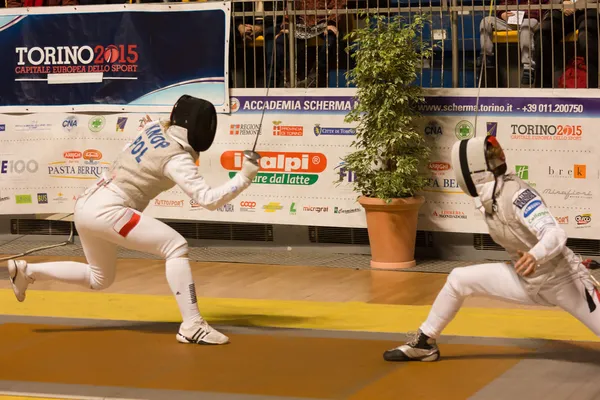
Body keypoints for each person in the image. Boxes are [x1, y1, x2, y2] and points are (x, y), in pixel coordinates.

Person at [6, 95, 262, 346]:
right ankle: (192, 325)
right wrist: (244, 177)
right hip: (110, 210)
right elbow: (207, 199)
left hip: (87, 204)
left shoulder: (154, 129)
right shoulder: (177, 159)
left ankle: (28, 271)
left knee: (99, 279)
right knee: (175, 246)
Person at [383, 135, 600, 362]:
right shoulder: (488, 198)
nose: (499, 157)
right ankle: (424, 343)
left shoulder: (518, 194)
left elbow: (555, 233)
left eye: (495, 153)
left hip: (563, 281)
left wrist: (535, 255)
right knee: (459, 279)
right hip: (527, 279)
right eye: (492, 155)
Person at [477, 0, 546, 86]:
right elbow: (502, 5)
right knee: (486, 21)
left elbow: (543, 8)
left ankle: (528, 67)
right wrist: (502, 14)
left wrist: (524, 12)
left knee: (526, 26)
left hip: (530, 19)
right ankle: (486, 58)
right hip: (511, 20)